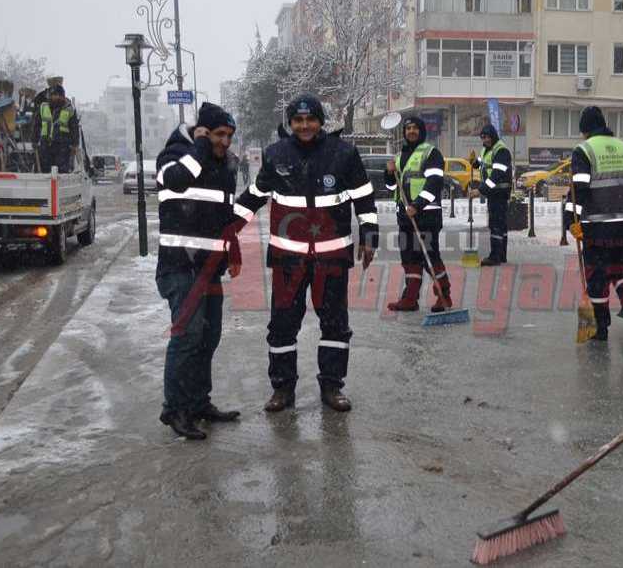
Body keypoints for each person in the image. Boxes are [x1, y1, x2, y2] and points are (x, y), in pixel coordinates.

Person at [233, 94, 378, 413]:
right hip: (288, 260)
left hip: (332, 258)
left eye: (310, 119)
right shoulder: (275, 154)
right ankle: (282, 389)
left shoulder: (343, 153)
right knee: (282, 326)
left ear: (321, 121)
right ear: (290, 123)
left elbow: (364, 199)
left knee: (335, 325)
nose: (304, 126)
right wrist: (228, 227)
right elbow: (255, 195)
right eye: (297, 120)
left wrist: (370, 236)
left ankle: (332, 386)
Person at [155, 102, 243, 440]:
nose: (225, 142)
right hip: (179, 266)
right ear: (202, 131)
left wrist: (232, 251)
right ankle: (174, 409)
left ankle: (198, 402)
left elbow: (224, 216)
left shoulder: (223, 166)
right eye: (219, 134)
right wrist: (201, 146)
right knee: (187, 336)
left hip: (210, 268)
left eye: (229, 136)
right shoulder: (173, 156)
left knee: (208, 337)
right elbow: (176, 182)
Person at [566, 106, 623, 341]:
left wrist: (571, 222)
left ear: (584, 130)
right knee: (620, 270)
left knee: (597, 276)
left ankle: (600, 327)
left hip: (597, 227)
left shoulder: (584, 150)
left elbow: (578, 189)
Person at [384, 115, 453, 312]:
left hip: (426, 215)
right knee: (409, 258)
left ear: (421, 131)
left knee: (429, 257)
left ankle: (444, 296)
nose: (411, 131)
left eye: (415, 128)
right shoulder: (400, 156)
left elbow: (434, 184)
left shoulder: (431, 153)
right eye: (408, 128)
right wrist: (389, 172)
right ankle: (410, 298)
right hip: (405, 217)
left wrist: (418, 204)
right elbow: (391, 187)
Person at [469, 124, 513, 265]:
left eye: (487, 137)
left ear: (493, 136)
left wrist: (480, 190)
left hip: (499, 192)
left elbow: (497, 175)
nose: (485, 140)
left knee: (496, 225)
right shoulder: (487, 150)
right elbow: (481, 164)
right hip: (493, 193)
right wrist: (474, 162)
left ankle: (495, 256)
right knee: (500, 225)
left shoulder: (501, 151)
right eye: (483, 138)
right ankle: (502, 255)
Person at [33, 85, 78, 173]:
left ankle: (58, 186)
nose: (56, 97)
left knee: (61, 171)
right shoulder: (43, 107)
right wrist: (34, 140)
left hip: (62, 145)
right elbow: (37, 125)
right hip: (45, 144)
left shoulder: (69, 109)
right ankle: (46, 186)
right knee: (45, 170)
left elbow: (74, 128)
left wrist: (75, 143)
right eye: (54, 95)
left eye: (59, 95)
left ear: (63, 96)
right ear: (50, 96)